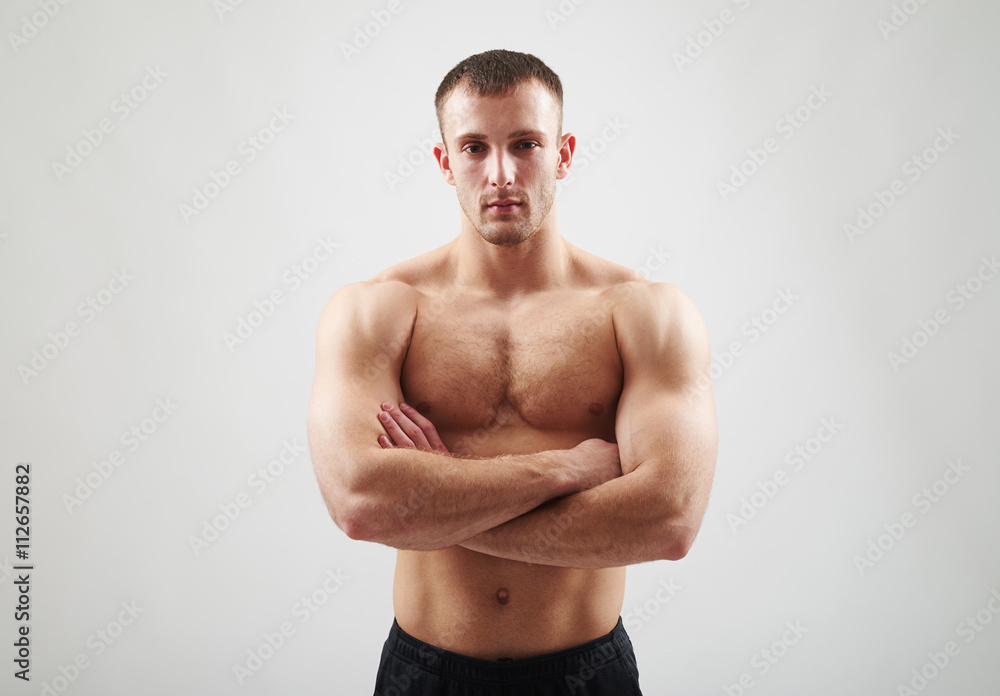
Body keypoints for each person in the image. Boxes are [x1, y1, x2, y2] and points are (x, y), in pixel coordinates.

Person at [306, 48, 718, 695]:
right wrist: (566, 469)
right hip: (426, 673)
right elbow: (361, 503)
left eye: (526, 144)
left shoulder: (645, 313)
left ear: (564, 153)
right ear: (445, 162)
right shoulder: (377, 311)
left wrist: (437, 501)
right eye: (474, 148)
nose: (501, 173)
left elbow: (668, 520)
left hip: (586, 673)